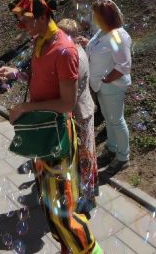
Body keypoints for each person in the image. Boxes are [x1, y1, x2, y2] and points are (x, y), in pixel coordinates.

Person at [0, 0, 102, 254]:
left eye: (26, 20)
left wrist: (25, 108)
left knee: (64, 211)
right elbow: (40, 78)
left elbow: (67, 104)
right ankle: (68, 247)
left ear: (44, 17)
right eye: (19, 20)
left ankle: (90, 250)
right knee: (49, 204)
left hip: (58, 136)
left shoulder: (65, 51)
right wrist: (16, 73)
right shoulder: (40, 41)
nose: (21, 26)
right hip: (43, 134)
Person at [56, 18, 98, 215]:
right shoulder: (73, 51)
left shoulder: (76, 57)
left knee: (85, 156)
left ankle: (87, 198)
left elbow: (71, 93)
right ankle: (85, 192)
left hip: (81, 113)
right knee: (83, 155)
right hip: (79, 111)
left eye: (59, 35)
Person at [86, 0, 132, 173]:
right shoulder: (103, 31)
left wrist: (107, 79)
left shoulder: (117, 36)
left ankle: (123, 157)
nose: (93, 17)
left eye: (96, 14)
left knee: (116, 121)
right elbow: (100, 49)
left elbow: (124, 65)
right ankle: (112, 148)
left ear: (104, 17)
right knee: (109, 118)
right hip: (101, 85)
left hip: (112, 86)